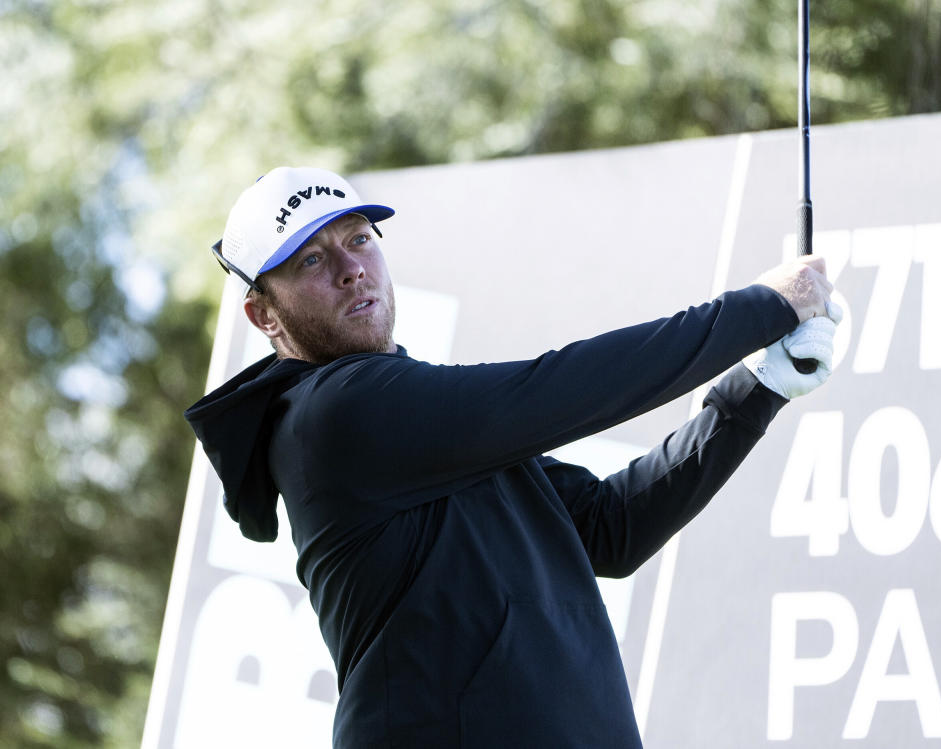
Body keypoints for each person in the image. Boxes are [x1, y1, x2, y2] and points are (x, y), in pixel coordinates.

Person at [185, 166, 839, 748]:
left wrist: (760, 385)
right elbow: (558, 388)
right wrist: (764, 306)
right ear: (264, 316)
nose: (350, 267)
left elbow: (612, 527)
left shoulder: (426, 427)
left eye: (359, 239)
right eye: (309, 260)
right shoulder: (332, 415)